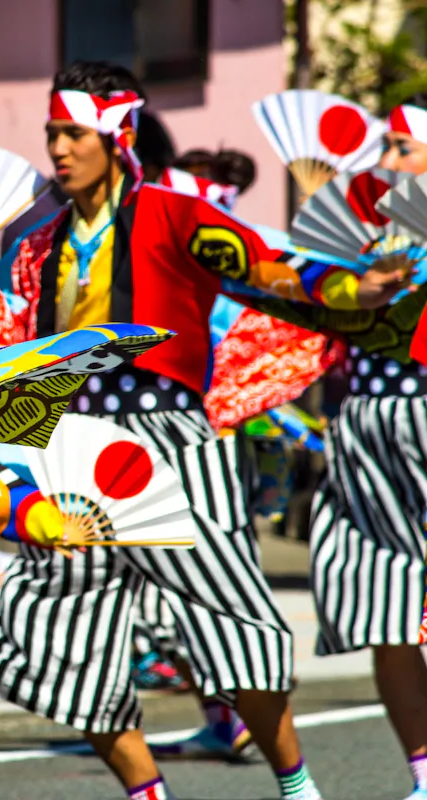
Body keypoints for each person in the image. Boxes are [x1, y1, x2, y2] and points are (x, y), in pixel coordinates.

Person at [0, 60, 412, 800]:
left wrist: (354, 286)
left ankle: (297, 787)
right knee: (63, 635)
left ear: (116, 133)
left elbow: (270, 268)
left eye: (74, 133)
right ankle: (147, 793)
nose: (59, 149)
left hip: (172, 440)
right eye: (52, 134)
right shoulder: (37, 247)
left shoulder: (175, 215)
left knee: (229, 620)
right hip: (74, 445)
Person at [308, 93, 427, 800]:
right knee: (383, 600)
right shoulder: (357, 235)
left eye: (404, 149)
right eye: (385, 148)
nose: (386, 162)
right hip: (364, 423)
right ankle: (423, 771)